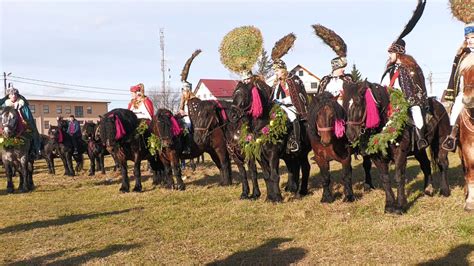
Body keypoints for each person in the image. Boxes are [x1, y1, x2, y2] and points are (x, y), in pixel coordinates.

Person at [381, 39, 429, 150]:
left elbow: (419, 84)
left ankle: (421, 138)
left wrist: (416, 99)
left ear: (398, 53)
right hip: (394, 101)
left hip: (411, 99)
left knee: (416, 111)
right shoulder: (390, 69)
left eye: (391, 53)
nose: (390, 55)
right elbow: (385, 85)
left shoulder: (411, 66)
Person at [441, 22, 474, 151]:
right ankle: (452, 138)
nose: (470, 41)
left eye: (472, 37)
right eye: (467, 38)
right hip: (464, 92)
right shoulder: (461, 55)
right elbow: (454, 75)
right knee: (455, 112)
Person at [272, 59, 309, 152]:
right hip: (281, 105)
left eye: (277, 70)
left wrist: (283, 100)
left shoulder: (293, 79)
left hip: (293, 106)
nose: (276, 73)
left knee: (293, 117)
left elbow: (295, 96)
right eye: (275, 71)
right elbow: (275, 96)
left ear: (283, 70)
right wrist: (277, 101)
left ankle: (297, 141)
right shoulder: (277, 83)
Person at [0, 87, 42, 157]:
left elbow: (28, 117)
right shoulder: (4, 105)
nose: (14, 95)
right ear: (8, 96)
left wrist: (26, 122)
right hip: (7, 125)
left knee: (32, 133)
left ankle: (33, 151)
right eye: (11, 94)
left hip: (22, 123)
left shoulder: (22, 104)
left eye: (15, 94)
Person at [178, 81, 195, 155]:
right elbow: (181, 109)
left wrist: (185, 113)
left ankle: (188, 146)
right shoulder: (183, 100)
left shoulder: (193, 100)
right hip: (183, 118)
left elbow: (194, 112)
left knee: (186, 127)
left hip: (190, 118)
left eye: (184, 91)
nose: (183, 92)